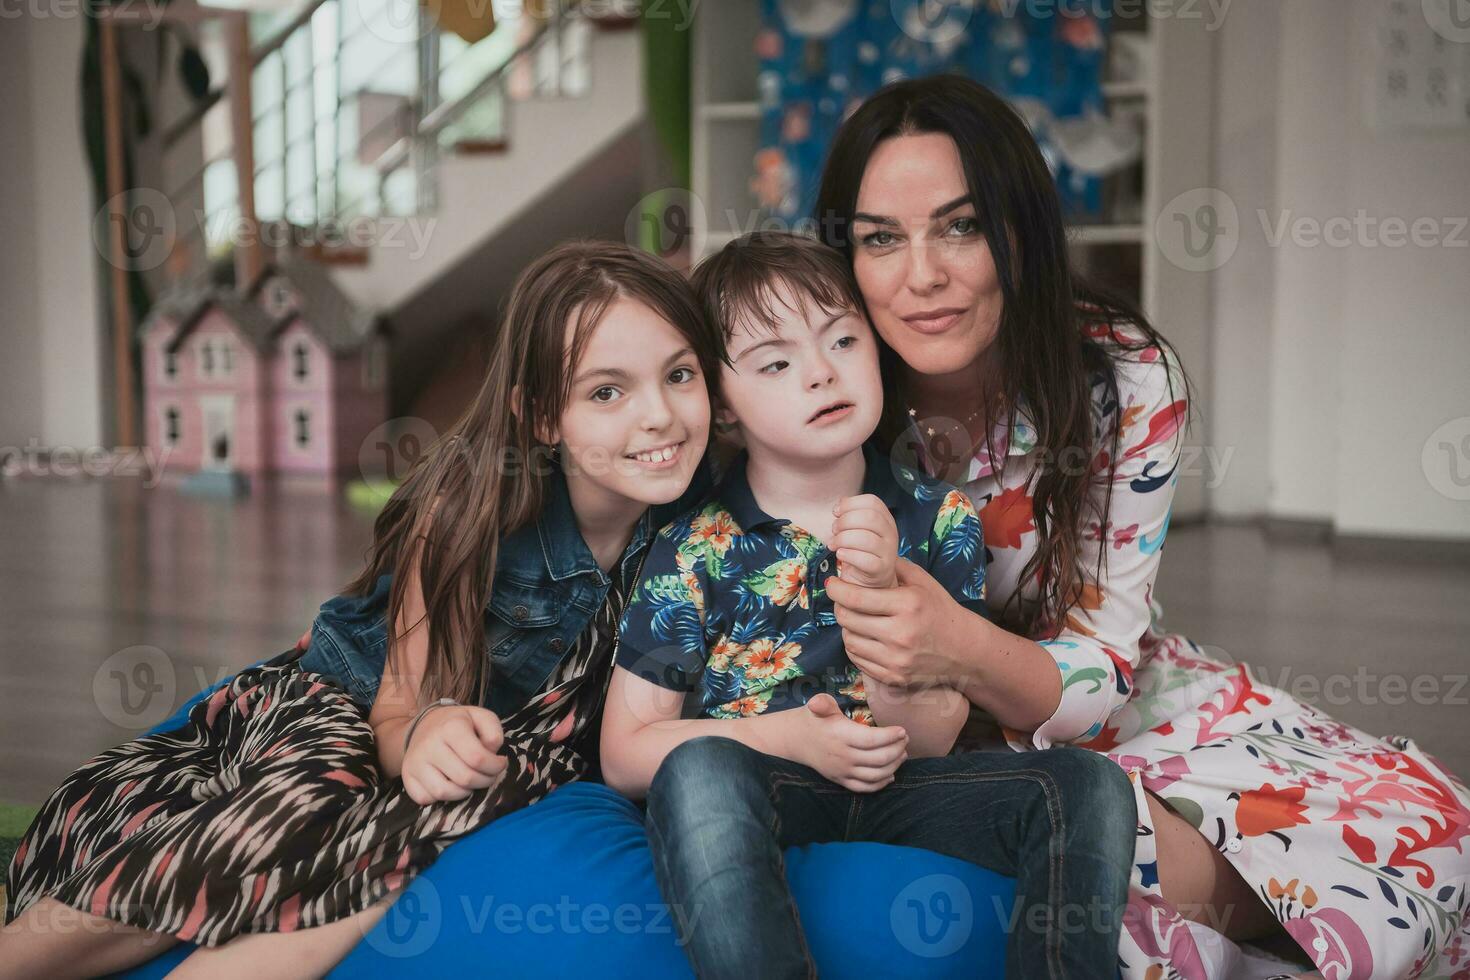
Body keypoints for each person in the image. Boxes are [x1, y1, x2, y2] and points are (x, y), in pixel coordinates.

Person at [797, 74, 1470, 978]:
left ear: (1022, 233)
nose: (923, 276)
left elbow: (1101, 663)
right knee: (1095, 851)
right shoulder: (814, 382)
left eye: (962, 226)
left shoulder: (1120, 375)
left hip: (1089, 689)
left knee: (1433, 829)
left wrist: (956, 643)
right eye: (882, 239)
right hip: (901, 728)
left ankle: (1248, 921)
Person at [1, 240, 723, 979]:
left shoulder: (710, 520)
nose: (659, 416)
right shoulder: (465, 514)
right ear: (541, 417)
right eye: (607, 392)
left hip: (496, 751)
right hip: (354, 702)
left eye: (679, 375)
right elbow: (396, 709)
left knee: (415, 836)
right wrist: (423, 734)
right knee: (303, 801)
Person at [601, 232, 1137, 980]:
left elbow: (933, 734)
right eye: (777, 363)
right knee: (695, 774)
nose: (821, 373)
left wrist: (882, 596)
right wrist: (790, 739)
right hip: (763, 785)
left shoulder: (938, 517)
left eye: (843, 340)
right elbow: (625, 752)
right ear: (722, 407)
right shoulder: (695, 545)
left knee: (1090, 786)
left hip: (903, 784)